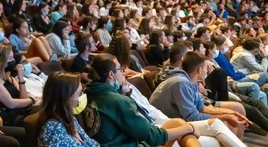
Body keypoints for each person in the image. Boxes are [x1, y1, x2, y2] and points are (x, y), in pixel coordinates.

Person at [85, 54, 242, 147]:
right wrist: (189, 129)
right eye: (120, 69)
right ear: (111, 75)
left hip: (142, 134)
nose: (123, 72)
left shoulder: (91, 93)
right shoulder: (115, 100)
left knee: (182, 125)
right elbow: (153, 137)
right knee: (202, 136)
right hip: (140, 142)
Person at [37, 71, 99, 147]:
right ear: (66, 99)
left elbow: (91, 143)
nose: (83, 96)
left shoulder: (70, 118)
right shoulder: (54, 130)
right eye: (80, 93)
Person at [0, 44, 39, 126]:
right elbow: (11, 104)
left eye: (13, 57)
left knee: (46, 110)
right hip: (9, 117)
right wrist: (33, 99)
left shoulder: (8, 76)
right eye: (10, 58)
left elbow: (23, 98)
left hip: (20, 112)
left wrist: (21, 78)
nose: (13, 60)